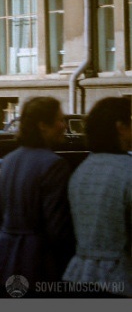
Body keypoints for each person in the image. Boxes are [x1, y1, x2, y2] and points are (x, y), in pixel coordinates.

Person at [0, 96, 75, 297]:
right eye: (59, 120)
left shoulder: (8, 161)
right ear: (43, 126)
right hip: (37, 264)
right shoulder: (54, 164)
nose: (63, 125)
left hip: (2, 260)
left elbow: (1, 216)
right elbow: (58, 229)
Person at [62, 96, 131, 297]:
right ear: (120, 126)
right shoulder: (127, 170)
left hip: (79, 275)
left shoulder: (83, 169)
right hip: (119, 278)